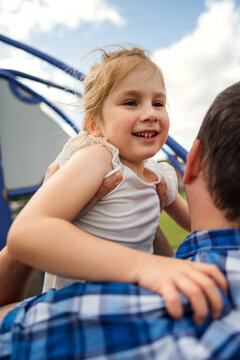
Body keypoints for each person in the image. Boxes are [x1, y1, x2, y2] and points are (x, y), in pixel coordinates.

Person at [0, 81, 239, 360]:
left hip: (86, 303)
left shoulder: (160, 175)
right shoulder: (97, 158)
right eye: (130, 102)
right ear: (94, 126)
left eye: (159, 103)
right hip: (78, 281)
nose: (150, 113)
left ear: (193, 161)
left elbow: (191, 222)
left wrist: (151, 209)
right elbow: (28, 232)